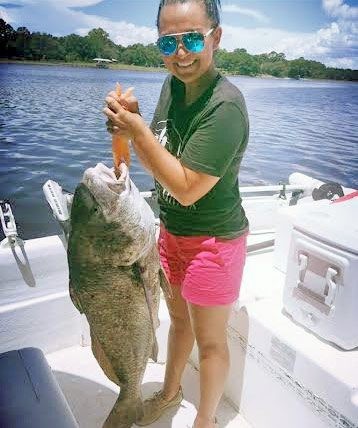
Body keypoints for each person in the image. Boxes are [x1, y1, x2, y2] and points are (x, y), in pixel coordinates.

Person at [103, 0, 249, 427]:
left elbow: (186, 188)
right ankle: (170, 393)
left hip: (213, 242)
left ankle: (205, 422)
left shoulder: (226, 108)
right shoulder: (173, 85)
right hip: (170, 234)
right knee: (178, 322)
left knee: (209, 343)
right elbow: (162, 151)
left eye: (191, 39)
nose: (180, 53)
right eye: (169, 41)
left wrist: (139, 131)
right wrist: (124, 128)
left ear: (215, 37)